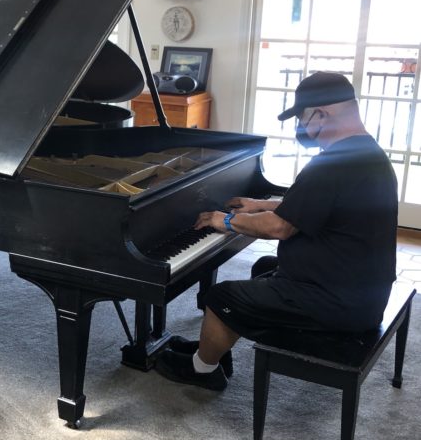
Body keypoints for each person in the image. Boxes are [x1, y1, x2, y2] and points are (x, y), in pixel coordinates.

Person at [155, 71, 398, 391]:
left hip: (337, 304)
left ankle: (203, 369)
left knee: (221, 295)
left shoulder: (332, 164)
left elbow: (280, 227)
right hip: (361, 293)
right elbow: (314, 207)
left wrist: (223, 221)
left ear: (321, 115)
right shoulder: (366, 154)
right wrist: (259, 203)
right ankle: (213, 347)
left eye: (301, 118)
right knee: (265, 268)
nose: (300, 127)